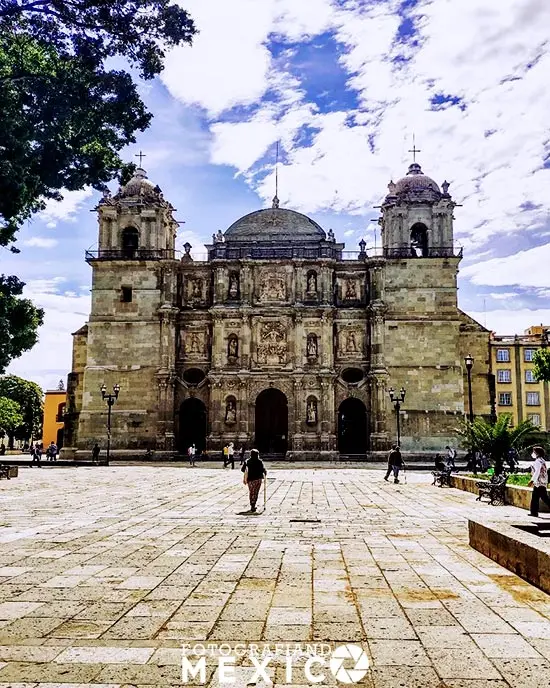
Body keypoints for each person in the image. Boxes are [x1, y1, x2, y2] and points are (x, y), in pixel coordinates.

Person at [241, 448, 267, 513]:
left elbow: (242, 470)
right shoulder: (259, 461)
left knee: (252, 492)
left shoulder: (247, 461)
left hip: (250, 479)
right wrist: (265, 474)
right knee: (256, 492)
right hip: (258, 479)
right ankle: (254, 503)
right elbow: (263, 470)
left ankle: (252, 504)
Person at [528, 446, 550, 517]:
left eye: (534, 452)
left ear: (537, 453)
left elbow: (537, 472)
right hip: (542, 482)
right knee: (536, 497)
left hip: (539, 482)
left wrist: (532, 481)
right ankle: (534, 512)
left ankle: (534, 512)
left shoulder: (538, 461)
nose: (533, 453)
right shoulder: (542, 460)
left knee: (542, 498)